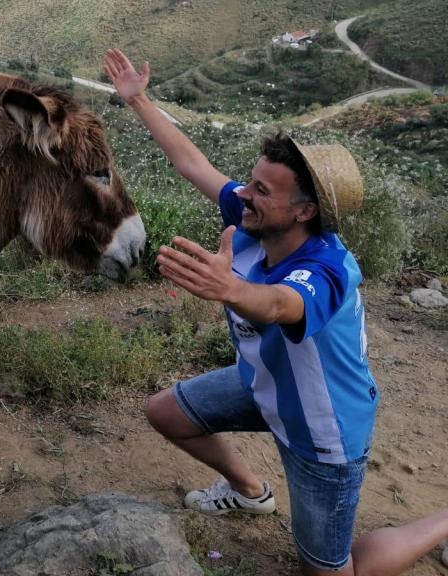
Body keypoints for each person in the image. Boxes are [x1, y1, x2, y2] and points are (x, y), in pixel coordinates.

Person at [102, 48, 448, 576]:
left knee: (332, 572)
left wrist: (229, 290)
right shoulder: (252, 221)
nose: (244, 192)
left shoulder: (330, 267)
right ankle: (249, 491)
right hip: (265, 388)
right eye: (249, 181)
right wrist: (139, 100)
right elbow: (191, 162)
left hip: (322, 430)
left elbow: (284, 304)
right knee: (166, 413)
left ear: (304, 211)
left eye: (261, 189)